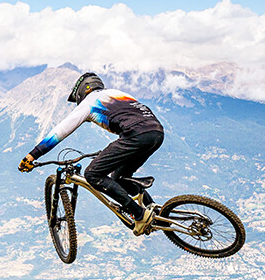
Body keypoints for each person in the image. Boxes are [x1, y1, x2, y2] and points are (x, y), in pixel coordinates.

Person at [19, 72, 165, 236]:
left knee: (92, 173)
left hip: (135, 135)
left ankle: (140, 214)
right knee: (119, 177)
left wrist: (33, 155)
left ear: (82, 92)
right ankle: (153, 209)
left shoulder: (89, 102)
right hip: (156, 133)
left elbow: (60, 131)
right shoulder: (116, 93)